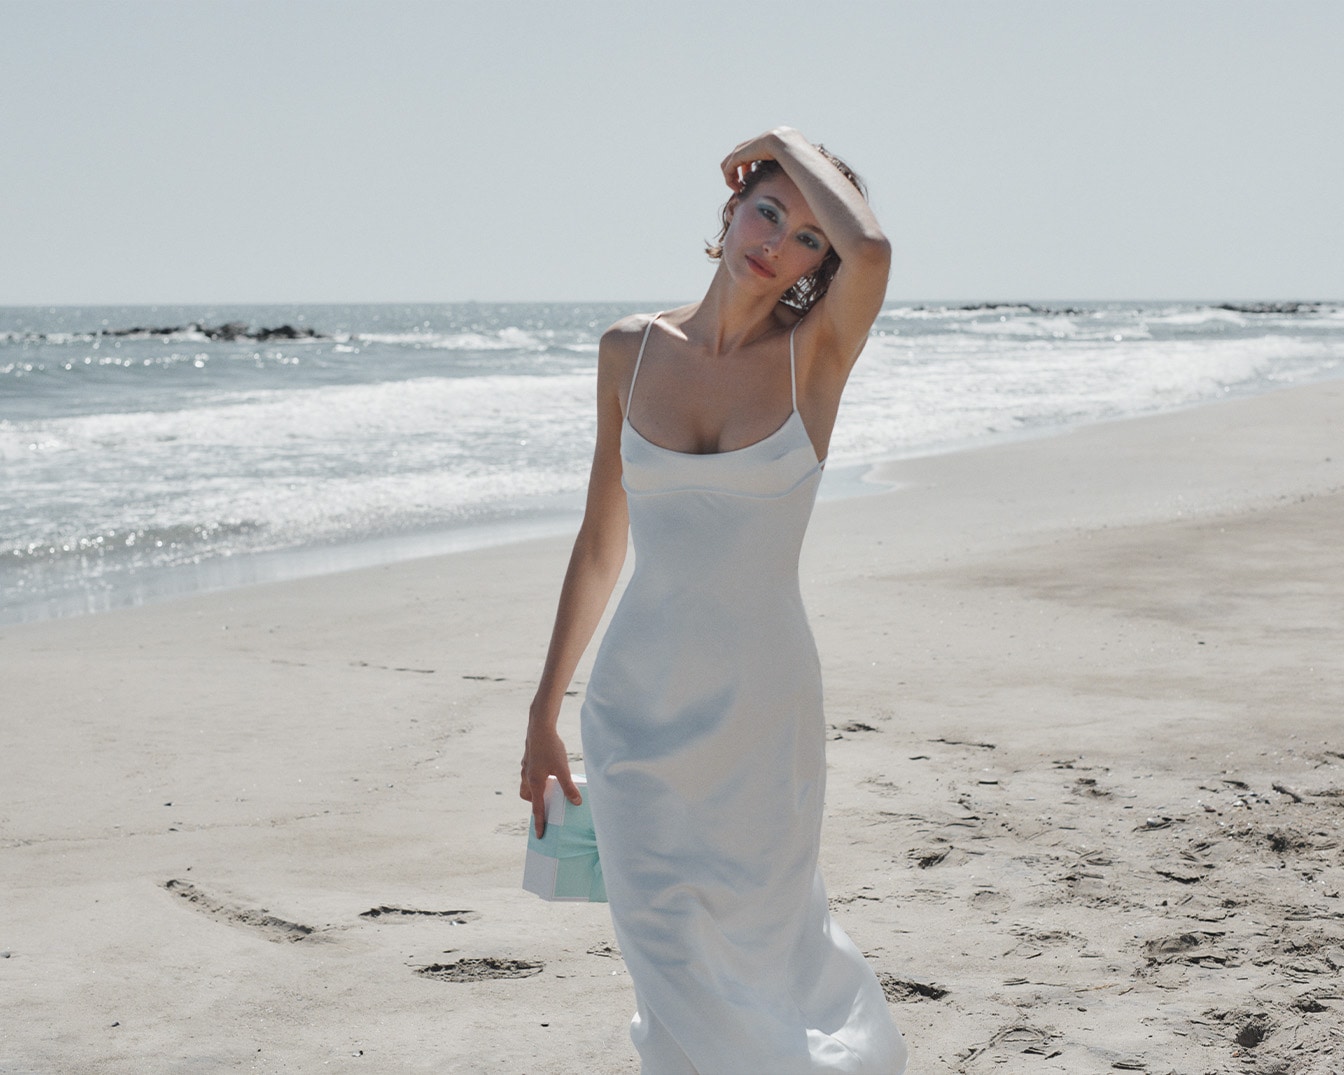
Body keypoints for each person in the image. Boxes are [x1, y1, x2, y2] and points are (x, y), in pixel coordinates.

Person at [520, 127, 909, 1073]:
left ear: (820, 264)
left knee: (768, 952)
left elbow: (877, 251)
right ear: (731, 207)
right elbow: (601, 541)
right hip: (634, 717)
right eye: (766, 207)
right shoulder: (629, 350)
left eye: (806, 236)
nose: (776, 238)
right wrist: (545, 708)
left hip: (763, 721)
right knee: (670, 965)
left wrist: (780, 138)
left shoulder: (812, 359)